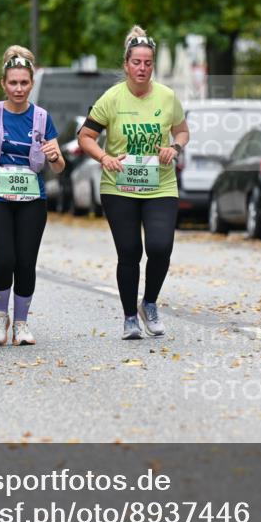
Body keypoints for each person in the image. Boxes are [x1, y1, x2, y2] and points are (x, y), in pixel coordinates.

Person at [78, 26, 190, 340]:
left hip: (160, 184)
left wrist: (175, 148)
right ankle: (129, 317)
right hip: (119, 186)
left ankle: (149, 303)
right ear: (126, 65)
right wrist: (104, 158)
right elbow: (85, 136)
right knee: (129, 252)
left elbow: (182, 132)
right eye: (136, 62)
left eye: (148, 63)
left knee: (160, 247)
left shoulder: (167, 97)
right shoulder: (112, 99)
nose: (142, 68)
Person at [0, 45, 63, 345]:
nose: (19, 88)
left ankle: (21, 322)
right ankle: (0, 315)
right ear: (3, 84)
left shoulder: (42, 118)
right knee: (3, 259)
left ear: (31, 84)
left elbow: (59, 167)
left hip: (32, 200)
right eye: (13, 83)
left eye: (24, 83)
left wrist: (54, 155)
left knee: (25, 262)